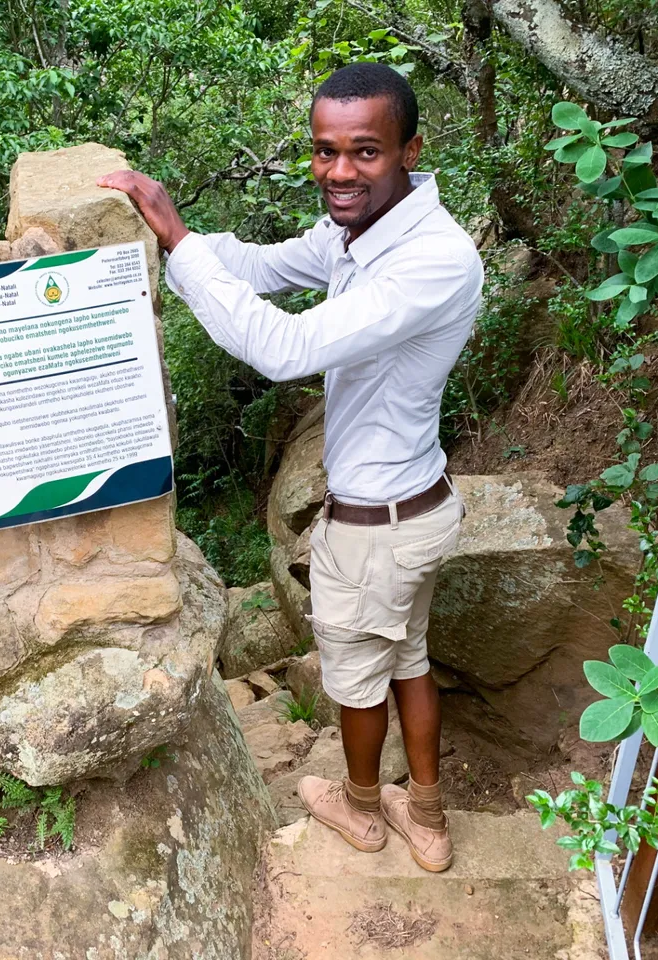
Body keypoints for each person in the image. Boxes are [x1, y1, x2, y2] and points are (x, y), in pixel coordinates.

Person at [99, 61, 482, 872]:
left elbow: (285, 348)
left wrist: (171, 234)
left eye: (365, 152)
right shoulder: (362, 229)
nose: (339, 172)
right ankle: (431, 814)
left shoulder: (432, 261)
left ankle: (362, 808)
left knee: (356, 677)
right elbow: (266, 267)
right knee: (407, 657)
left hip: (380, 526)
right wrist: (195, 245)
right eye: (325, 151)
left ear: (410, 149)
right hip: (415, 507)